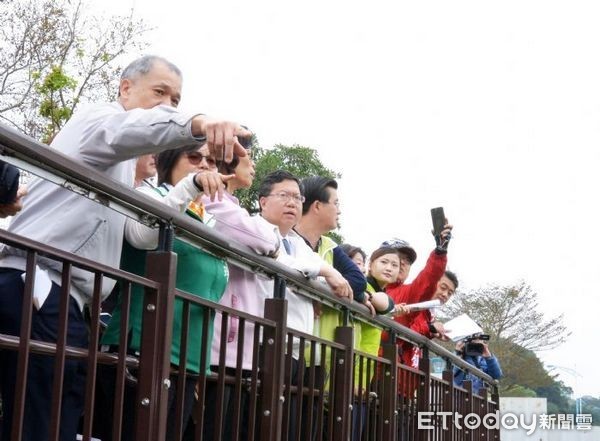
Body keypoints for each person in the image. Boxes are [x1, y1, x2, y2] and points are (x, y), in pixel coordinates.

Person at [0, 54, 250, 441]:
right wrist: (196, 123)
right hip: (38, 282)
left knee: (55, 419)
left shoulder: (119, 165)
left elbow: (139, 234)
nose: (167, 105)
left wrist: (191, 186)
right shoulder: (97, 121)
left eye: (176, 100)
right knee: (39, 421)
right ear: (125, 88)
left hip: (69, 299)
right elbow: (132, 128)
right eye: (160, 92)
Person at [99, 143, 233, 441]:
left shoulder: (209, 221)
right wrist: (190, 186)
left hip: (188, 361)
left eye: (211, 161)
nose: (204, 166)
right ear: (169, 160)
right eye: (194, 157)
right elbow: (144, 235)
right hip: (142, 349)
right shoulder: (150, 195)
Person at [256, 170, 352, 441]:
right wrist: (327, 273)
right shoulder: (257, 228)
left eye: (297, 197)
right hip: (265, 343)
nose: (292, 203)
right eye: (284, 195)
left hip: (296, 346)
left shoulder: (296, 242)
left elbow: (318, 272)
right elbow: (283, 262)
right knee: (261, 424)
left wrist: (324, 277)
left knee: (289, 427)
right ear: (263, 202)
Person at [199, 138, 281, 441]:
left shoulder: (232, 205)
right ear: (228, 161)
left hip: (240, 347)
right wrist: (269, 245)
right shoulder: (212, 201)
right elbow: (264, 240)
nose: (254, 164)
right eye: (249, 157)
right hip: (223, 346)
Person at [382, 222, 453, 368]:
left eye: (407, 260)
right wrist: (429, 328)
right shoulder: (362, 285)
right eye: (396, 256)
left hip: (401, 380)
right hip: (375, 376)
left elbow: (426, 281)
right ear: (374, 261)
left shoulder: (405, 292)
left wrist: (440, 250)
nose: (402, 263)